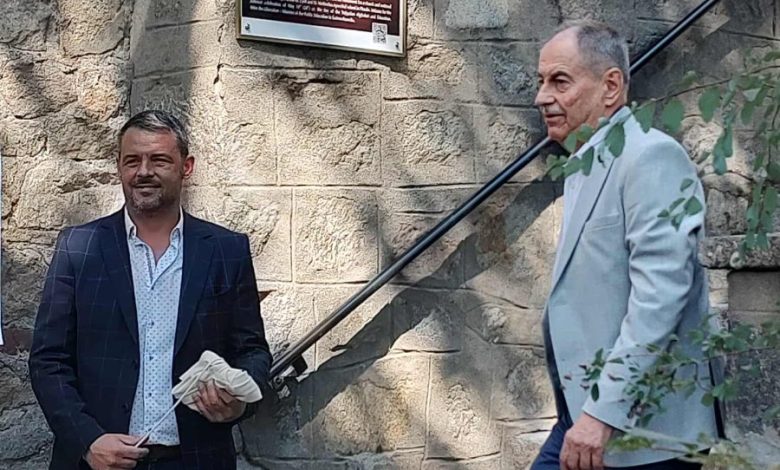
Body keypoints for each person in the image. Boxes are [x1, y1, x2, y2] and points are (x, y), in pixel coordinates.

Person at [29, 110, 273, 470]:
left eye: (159, 160)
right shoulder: (78, 248)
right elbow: (48, 360)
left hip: (195, 459)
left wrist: (240, 403)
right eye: (132, 161)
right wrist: (87, 440)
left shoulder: (226, 250)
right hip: (98, 460)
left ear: (186, 167)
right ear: (119, 166)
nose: (144, 171)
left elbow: (251, 350)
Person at [531, 21, 721, 470]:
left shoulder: (650, 156)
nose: (541, 97)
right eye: (541, 81)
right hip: (587, 415)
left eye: (560, 81)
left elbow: (660, 297)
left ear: (611, 86)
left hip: (647, 433)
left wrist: (602, 413)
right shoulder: (588, 160)